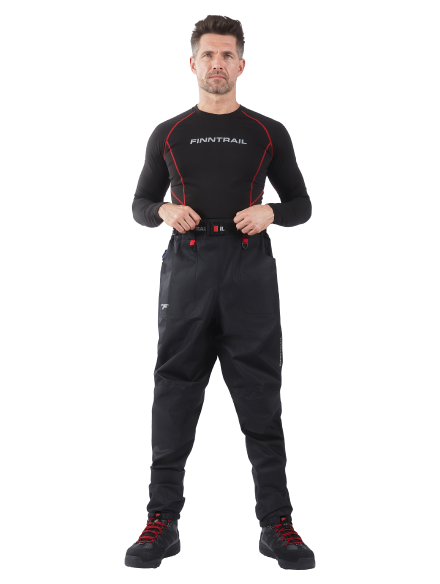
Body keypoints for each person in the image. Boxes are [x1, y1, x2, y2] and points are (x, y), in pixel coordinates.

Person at [127, 15, 314, 571]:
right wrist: (162, 210)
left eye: (227, 55)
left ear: (241, 65)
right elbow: (139, 204)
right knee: (174, 394)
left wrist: (271, 212)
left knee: (261, 398)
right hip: (186, 271)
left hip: (249, 271)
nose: (217, 64)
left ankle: (276, 525)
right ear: (192, 63)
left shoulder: (268, 131)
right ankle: (161, 522)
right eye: (208, 54)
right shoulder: (168, 132)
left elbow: (301, 205)